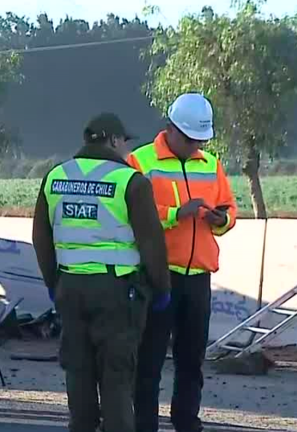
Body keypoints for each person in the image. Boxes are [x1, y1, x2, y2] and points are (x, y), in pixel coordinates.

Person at [32, 113, 172, 432]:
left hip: (70, 287)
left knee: (78, 373)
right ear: (112, 141)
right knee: (117, 378)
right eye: (125, 142)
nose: (127, 150)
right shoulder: (130, 181)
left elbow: (41, 237)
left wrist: (54, 283)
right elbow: (151, 243)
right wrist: (161, 289)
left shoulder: (55, 177)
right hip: (117, 293)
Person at [128, 93, 237, 432]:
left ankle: (186, 421)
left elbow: (231, 210)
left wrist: (220, 219)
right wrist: (176, 214)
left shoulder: (211, 164)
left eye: (200, 141)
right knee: (150, 360)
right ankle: (144, 424)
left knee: (192, 360)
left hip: (198, 277)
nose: (195, 147)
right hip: (159, 276)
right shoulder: (140, 161)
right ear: (172, 129)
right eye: (191, 140)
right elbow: (133, 216)